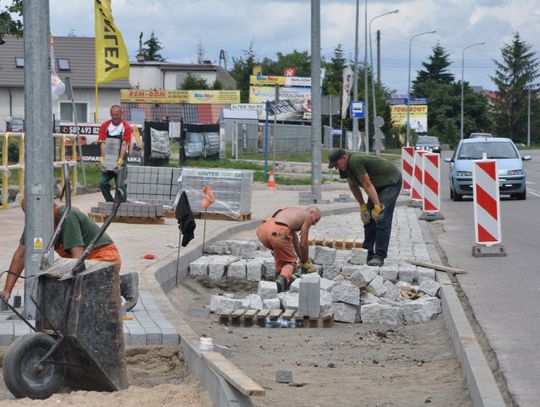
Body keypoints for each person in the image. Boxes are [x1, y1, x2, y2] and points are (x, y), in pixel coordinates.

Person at [0, 198, 139, 312]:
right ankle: (108, 288)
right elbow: (20, 255)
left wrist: (76, 294)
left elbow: (77, 258)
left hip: (105, 259)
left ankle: (121, 283)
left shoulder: (66, 216)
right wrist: (7, 291)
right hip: (85, 262)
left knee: (75, 295)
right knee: (54, 277)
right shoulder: (36, 223)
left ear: (46, 212)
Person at [328, 148, 402, 267]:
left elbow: (367, 184)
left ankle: (379, 256)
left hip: (390, 182)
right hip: (377, 185)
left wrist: (378, 206)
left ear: (344, 157)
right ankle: (367, 253)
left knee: (381, 218)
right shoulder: (345, 167)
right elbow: (353, 186)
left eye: (337, 164)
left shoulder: (354, 161)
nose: (336, 168)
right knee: (368, 219)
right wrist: (363, 206)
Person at [256, 206, 321, 292]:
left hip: (262, 230)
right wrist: (305, 261)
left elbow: (296, 243)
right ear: (311, 212)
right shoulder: (307, 216)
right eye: (316, 220)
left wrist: (302, 258)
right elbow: (303, 244)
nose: (314, 223)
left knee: (281, 255)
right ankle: (281, 281)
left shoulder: (291, 213)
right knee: (290, 262)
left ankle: (278, 276)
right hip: (278, 230)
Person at [98, 105, 132, 202]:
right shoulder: (105, 126)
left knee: (120, 185)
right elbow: (103, 143)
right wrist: (102, 159)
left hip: (120, 160)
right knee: (103, 183)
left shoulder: (126, 127)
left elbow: (124, 144)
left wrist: (120, 161)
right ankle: (109, 203)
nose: (114, 117)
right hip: (108, 160)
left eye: (117, 114)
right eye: (112, 114)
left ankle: (123, 205)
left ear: (121, 114)